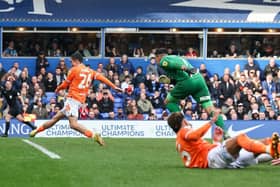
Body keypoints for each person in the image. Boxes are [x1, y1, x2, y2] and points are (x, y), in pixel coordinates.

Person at [29, 52, 122, 146]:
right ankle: (37, 130)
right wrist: (113, 86)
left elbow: (66, 84)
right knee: (56, 118)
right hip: (78, 100)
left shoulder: (74, 70)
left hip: (73, 99)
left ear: (76, 60)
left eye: (71, 61)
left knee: (73, 124)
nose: (70, 63)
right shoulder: (90, 71)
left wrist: (58, 88)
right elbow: (102, 78)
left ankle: (94, 135)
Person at [167, 112, 280, 169]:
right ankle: (269, 150)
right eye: (184, 119)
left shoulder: (179, 141)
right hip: (212, 159)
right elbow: (195, 136)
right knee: (240, 138)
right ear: (182, 122)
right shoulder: (183, 132)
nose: (187, 121)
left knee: (266, 141)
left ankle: (271, 150)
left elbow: (202, 152)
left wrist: (217, 140)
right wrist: (211, 122)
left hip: (217, 161)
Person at [155, 48, 226, 134]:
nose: (156, 61)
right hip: (199, 80)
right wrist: (171, 82)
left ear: (159, 56)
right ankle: (226, 134)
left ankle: (184, 123)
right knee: (210, 109)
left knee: (168, 102)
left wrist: (184, 68)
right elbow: (177, 74)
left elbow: (174, 65)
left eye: (155, 58)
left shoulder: (164, 60)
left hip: (187, 82)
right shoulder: (178, 57)